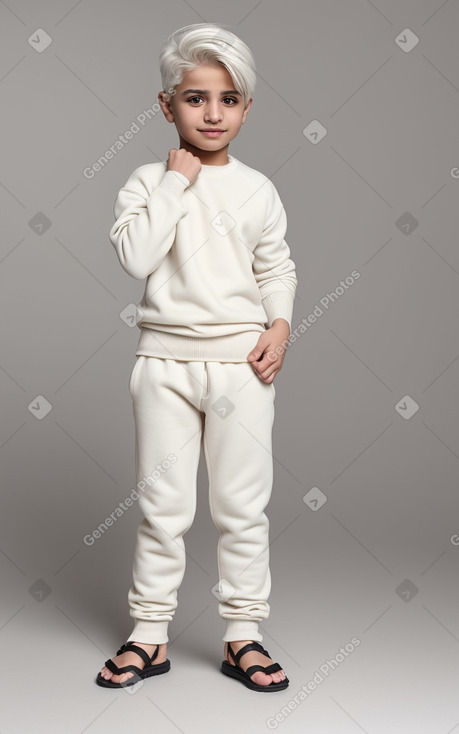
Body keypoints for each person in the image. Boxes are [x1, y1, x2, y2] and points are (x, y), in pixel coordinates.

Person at [96, 21, 297, 693]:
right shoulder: (145, 181)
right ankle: (148, 636)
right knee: (163, 507)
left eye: (229, 99)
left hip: (241, 367)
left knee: (242, 509)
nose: (212, 113)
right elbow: (136, 257)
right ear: (166, 105)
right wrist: (174, 186)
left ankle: (243, 635)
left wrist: (280, 324)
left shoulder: (258, 189)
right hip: (163, 366)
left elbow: (276, 267)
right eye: (195, 98)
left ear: (245, 107)